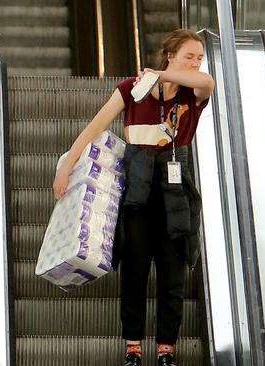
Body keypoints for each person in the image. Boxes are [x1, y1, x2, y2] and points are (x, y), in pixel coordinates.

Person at [52, 29, 214, 366]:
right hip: (136, 190)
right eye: (189, 56)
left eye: (199, 57)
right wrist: (66, 167)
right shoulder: (131, 89)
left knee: (173, 274)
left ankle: (167, 349)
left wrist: (163, 74)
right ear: (170, 54)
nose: (196, 63)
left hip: (175, 194)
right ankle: (134, 348)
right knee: (135, 271)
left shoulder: (192, 94)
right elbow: (94, 128)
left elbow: (208, 82)